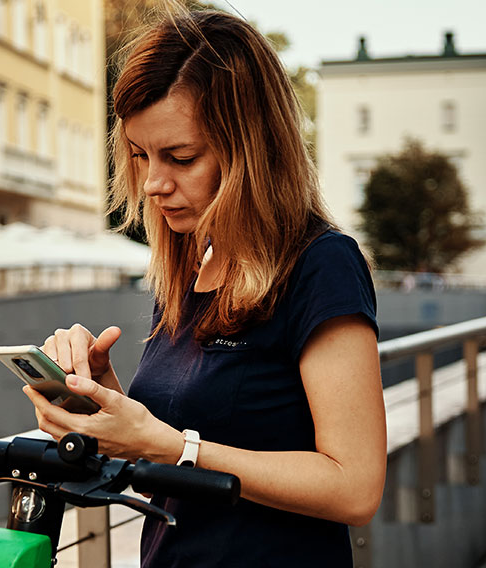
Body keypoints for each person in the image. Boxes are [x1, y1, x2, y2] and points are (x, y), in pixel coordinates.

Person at [22, 8, 386, 567]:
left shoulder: (321, 265)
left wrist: (170, 445)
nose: (153, 183)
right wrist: (106, 404)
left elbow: (355, 488)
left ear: (251, 150)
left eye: (181, 157)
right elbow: (172, 481)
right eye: (142, 156)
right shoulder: (193, 269)